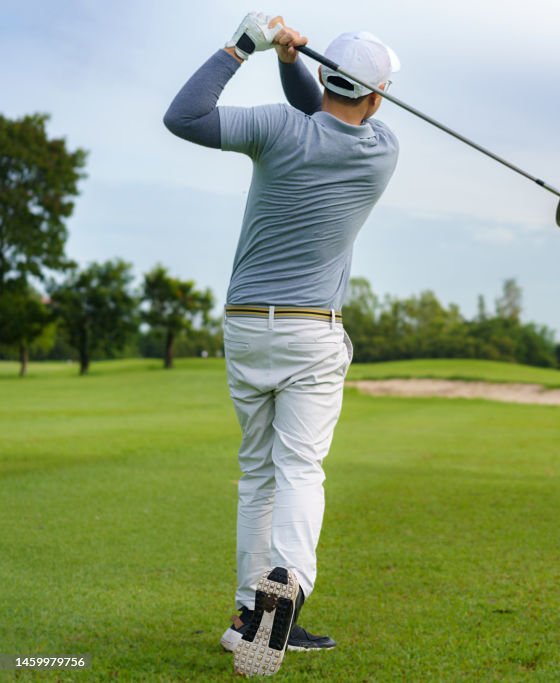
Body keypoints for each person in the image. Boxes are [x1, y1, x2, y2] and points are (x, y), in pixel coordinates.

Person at [164, 11, 400, 676]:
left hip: (244, 324)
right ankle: (283, 597)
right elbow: (330, 117)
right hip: (310, 330)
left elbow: (185, 117)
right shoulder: (382, 151)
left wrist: (253, 49)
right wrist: (294, 65)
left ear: (328, 75)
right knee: (300, 469)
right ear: (377, 96)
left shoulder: (274, 127)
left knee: (258, 474)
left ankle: (250, 615)